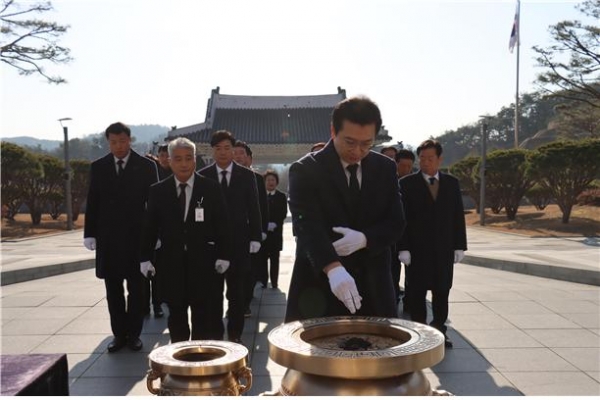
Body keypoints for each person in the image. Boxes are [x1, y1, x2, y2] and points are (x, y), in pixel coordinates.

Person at [285, 96, 406, 322]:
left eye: (366, 144)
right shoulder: (305, 169)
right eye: (350, 142)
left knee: (377, 351)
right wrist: (333, 268)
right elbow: (306, 225)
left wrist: (365, 238)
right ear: (333, 131)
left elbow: (396, 222)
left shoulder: (385, 168)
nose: (357, 151)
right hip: (320, 286)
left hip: (374, 285)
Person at [140, 138, 231, 342]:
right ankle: (180, 362)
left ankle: (200, 362)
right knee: (177, 318)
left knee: (203, 318)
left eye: (188, 158)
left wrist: (224, 255)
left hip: (204, 265)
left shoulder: (210, 188)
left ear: (195, 161)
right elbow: (150, 227)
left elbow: (222, 225)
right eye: (178, 159)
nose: (183, 164)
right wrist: (145, 258)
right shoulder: (158, 191)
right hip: (171, 265)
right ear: (169, 161)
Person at [83, 122, 159, 353]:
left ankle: (134, 334)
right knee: (113, 291)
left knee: (137, 291)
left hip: (137, 238)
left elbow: (155, 204)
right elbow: (93, 201)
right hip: (109, 239)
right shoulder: (99, 166)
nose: (118, 146)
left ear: (130, 140)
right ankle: (118, 334)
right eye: (113, 142)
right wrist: (90, 233)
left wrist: (156, 233)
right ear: (108, 142)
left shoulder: (146, 166)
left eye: (122, 141)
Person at [397, 139, 467, 348]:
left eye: (430, 158)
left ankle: (439, 331)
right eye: (423, 159)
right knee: (417, 293)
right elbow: (402, 218)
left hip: (443, 250)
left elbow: (457, 216)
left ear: (439, 159)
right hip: (417, 251)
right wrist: (403, 247)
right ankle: (420, 333)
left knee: (442, 291)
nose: (426, 162)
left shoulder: (452, 183)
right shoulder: (407, 184)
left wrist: (459, 245)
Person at [199, 130, 262, 344]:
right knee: (213, 294)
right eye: (218, 148)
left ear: (233, 150)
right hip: (211, 245)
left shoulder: (246, 175)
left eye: (227, 148)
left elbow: (254, 208)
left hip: (238, 242)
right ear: (212, 151)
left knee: (236, 295)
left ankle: (235, 335)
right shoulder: (203, 175)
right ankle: (216, 336)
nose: (223, 152)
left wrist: (255, 236)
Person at [233, 140, 269, 314]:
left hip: (251, 232)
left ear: (249, 158)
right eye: (235, 152)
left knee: (249, 270)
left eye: (241, 153)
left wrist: (261, 231)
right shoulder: (224, 177)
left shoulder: (257, 179)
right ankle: (235, 301)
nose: (238, 156)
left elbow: (262, 206)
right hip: (232, 232)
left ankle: (245, 302)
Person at [392, 148, 416, 312]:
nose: (406, 169)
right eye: (403, 166)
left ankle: (410, 302)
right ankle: (392, 298)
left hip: (411, 235)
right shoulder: (387, 181)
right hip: (392, 236)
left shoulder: (416, 183)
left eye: (409, 166)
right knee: (392, 270)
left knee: (412, 272)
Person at [263, 170, 288, 289]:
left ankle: (274, 282)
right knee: (262, 259)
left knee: (275, 259)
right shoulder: (260, 196)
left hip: (276, 233)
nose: (270, 182)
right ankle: (263, 281)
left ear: (276, 182)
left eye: (273, 180)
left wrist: (275, 224)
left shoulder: (281, 196)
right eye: (268, 180)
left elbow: (283, 213)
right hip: (263, 233)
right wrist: (264, 224)